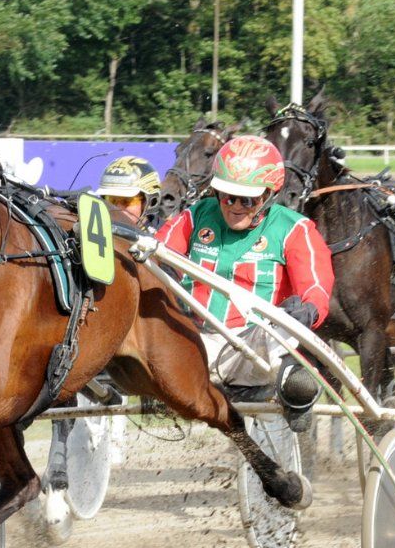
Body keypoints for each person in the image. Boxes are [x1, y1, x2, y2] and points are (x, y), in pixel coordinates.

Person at [136, 135, 333, 416]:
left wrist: (309, 311)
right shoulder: (196, 215)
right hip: (196, 341)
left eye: (247, 199)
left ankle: (295, 386)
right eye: (227, 196)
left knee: (285, 325)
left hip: (257, 348)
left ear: (268, 195)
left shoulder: (295, 229)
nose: (235, 205)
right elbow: (159, 253)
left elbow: (316, 285)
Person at [94, 156, 160, 225]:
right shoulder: (92, 231)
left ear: (151, 203)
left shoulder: (167, 233)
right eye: (111, 201)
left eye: (126, 201)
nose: (117, 208)